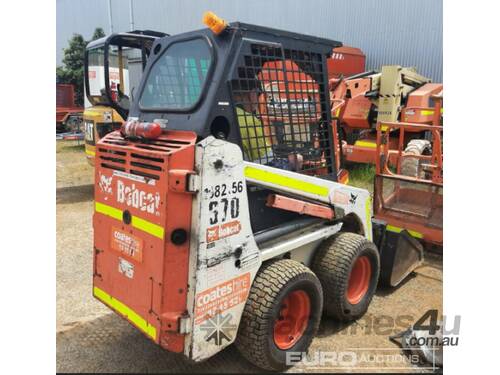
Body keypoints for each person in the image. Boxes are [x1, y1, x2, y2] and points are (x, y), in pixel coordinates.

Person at [233, 86, 273, 163]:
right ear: (252, 94)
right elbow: (267, 163)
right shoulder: (249, 121)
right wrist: (291, 162)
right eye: (258, 94)